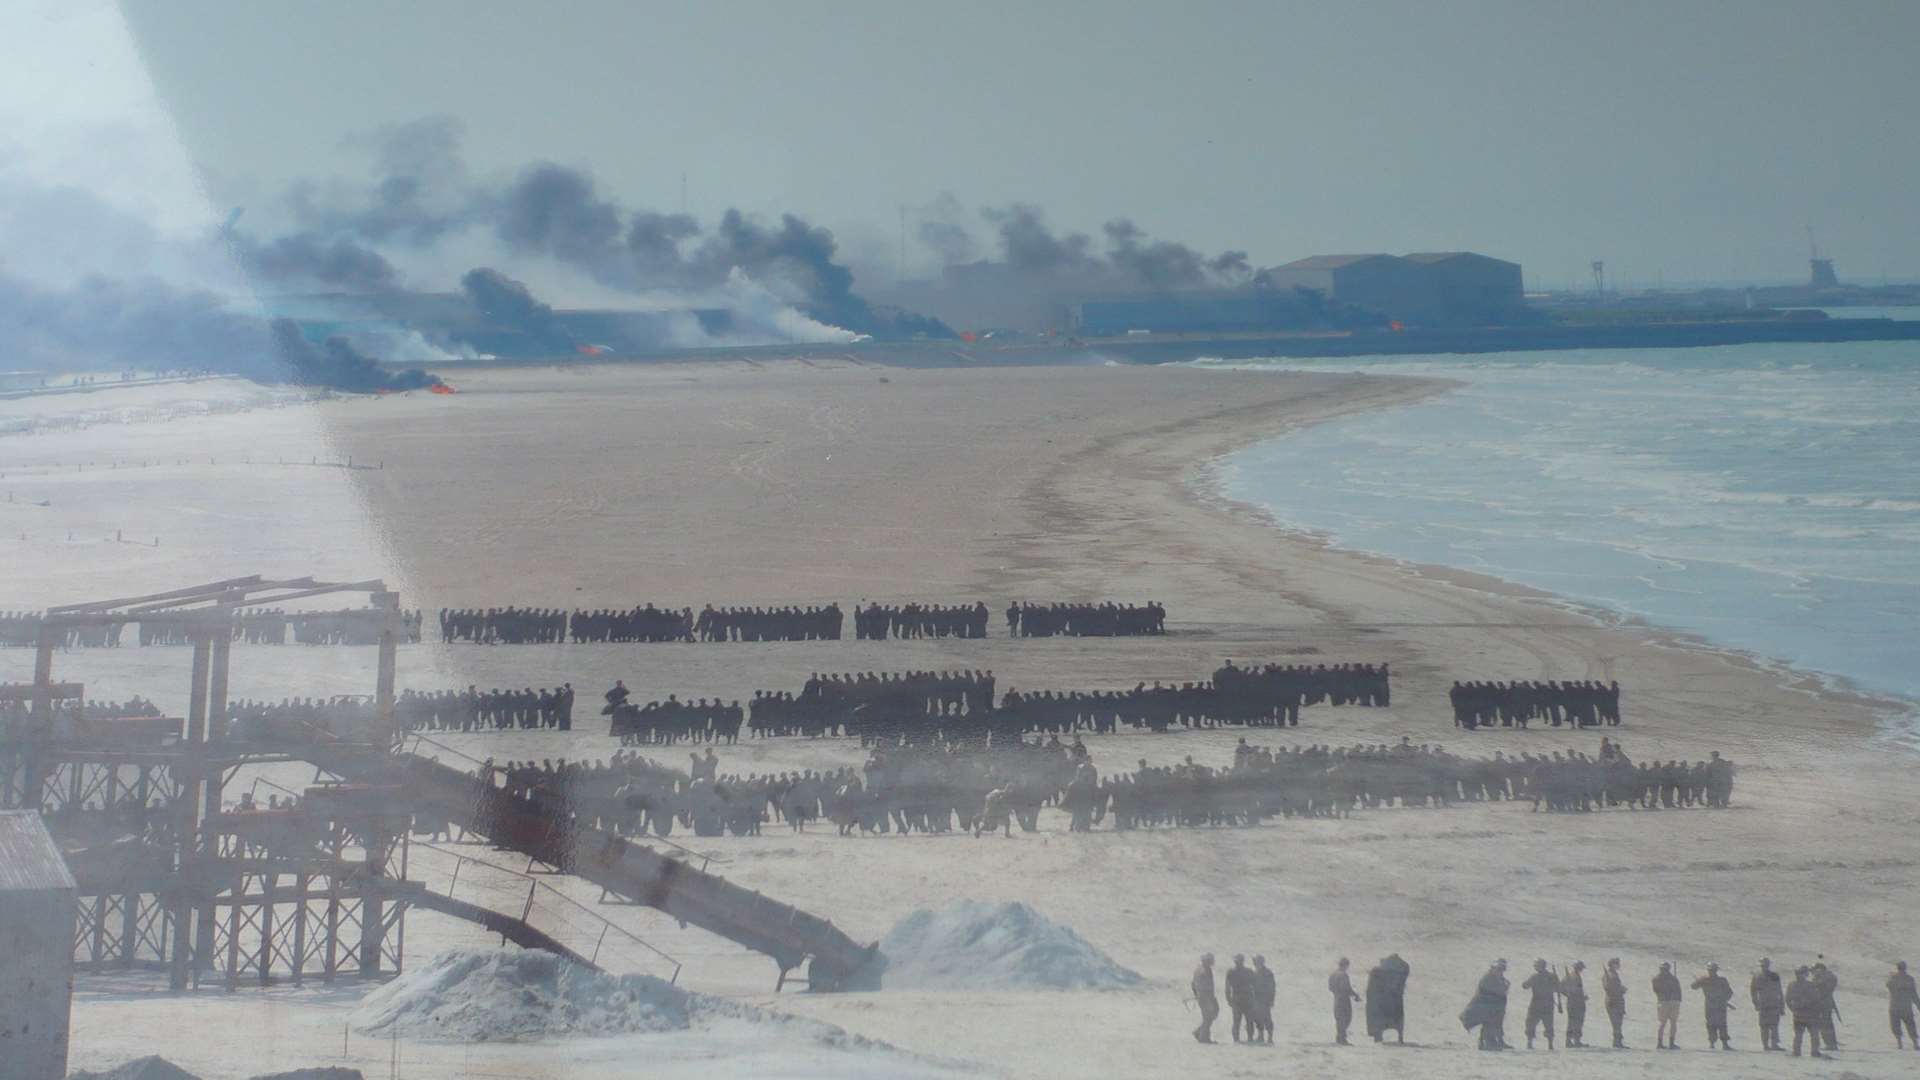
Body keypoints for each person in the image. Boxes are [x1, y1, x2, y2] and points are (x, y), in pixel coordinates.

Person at [1461, 959, 1509, 1051]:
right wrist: (1504, 986)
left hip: (1492, 1008)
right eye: (1498, 969)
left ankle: (1495, 1042)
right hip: (1483, 1007)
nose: (1500, 971)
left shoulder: (1498, 978)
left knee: (1493, 1024)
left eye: (1502, 969)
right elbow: (1496, 992)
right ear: (1492, 969)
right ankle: (1488, 1043)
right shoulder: (1487, 978)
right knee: (1489, 1023)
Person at [1366, 953, 1411, 1045]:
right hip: (1395, 999)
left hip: (1381, 1001)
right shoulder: (1400, 969)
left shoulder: (1376, 972)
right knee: (1398, 1018)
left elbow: (1371, 988)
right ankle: (1400, 1038)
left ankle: (1378, 1037)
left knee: (1379, 1019)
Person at [1692, 962, 1736, 1050]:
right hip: (1713, 1005)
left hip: (1715, 1005)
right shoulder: (1707, 979)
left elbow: (1729, 992)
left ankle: (1721, 1043)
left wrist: (1723, 1000)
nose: (1711, 972)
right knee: (1713, 1024)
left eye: (1712, 970)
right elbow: (1693, 986)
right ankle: (1715, 1043)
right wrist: (1698, 981)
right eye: (1710, 970)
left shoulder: (1720, 980)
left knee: (1719, 1024)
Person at [1786, 966, 1825, 1058]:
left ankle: (1797, 1052)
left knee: (1800, 1035)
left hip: (1799, 1013)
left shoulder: (1792, 985)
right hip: (1809, 1014)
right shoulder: (1810, 985)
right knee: (1813, 1034)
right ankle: (1814, 1052)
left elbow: (1787, 1000)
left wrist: (1793, 1009)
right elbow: (1817, 999)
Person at [1521, 959, 1560, 1050]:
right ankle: (1550, 1044)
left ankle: (1529, 1043)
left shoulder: (1535, 977)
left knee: (1531, 1023)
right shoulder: (1552, 976)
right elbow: (1558, 988)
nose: (1535, 967)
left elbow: (1524, 986)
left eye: (1536, 965)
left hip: (1536, 1003)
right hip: (1548, 1003)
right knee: (1548, 1024)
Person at [1752, 957, 1785, 1051]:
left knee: (1774, 1025)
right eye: (1762, 965)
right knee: (1764, 1026)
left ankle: (1774, 1045)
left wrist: (1782, 1006)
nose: (1764, 967)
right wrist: (1755, 1003)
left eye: (1765, 965)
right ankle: (1765, 1045)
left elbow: (1779, 991)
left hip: (1774, 1004)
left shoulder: (1774, 975)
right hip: (1763, 1004)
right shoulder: (1756, 976)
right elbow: (1753, 991)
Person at [1329, 957, 1361, 1045]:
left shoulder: (1333, 974)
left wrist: (1337, 993)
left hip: (1336, 999)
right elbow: (1346, 988)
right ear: (1346, 965)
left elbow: (1330, 988)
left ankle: (1339, 1038)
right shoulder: (1343, 975)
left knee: (1339, 1019)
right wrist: (1355, 995)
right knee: (1346, 1019)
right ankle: (1342, 1039)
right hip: (1344, 1000)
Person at [1652, 961, 1683, 1050]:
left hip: (1664, 1002)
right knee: (1671, 1023)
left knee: (1664, 1023)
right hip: (1671, 1002)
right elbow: (1678, 990)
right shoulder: (1673, 978)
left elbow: (1656, 990)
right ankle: (1670, 1043)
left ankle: (1661, 1043)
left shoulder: (1656, 979)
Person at [1890, 960, 1919, 1050]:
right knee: (1910, 1025)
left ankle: (1900, 1044)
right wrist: (1918, 1004)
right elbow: (1913, 993)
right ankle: (1915, 1044)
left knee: (1896, 1025)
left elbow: (1888, 986)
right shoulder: (1909, 979)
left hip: (1894, 1007)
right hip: (1906, 1007)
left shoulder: (1893, 978)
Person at [1225, 954, 1254, 1043]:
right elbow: (1255, 985)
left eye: (1238, 961)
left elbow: (1227, 987)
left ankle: (1238, 1040)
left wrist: (1229, 999)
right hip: (1245, 998)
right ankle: (1247, 1039)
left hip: (1239, 998)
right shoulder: (1248, 971)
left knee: (1239, 1021)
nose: (1237, 962)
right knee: (1246, 1021)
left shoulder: (1231, 971)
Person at [1813, 960, 1840, 1050]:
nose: (1813, 972)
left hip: (1823, 1004)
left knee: (1825, 1024)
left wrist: (1818, 980)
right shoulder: (1826, 977)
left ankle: (1830, 1044)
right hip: (1824, 1004)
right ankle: (1831, 1043)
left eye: (1815, 970)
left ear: (1820, 969)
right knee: (1827, 1024)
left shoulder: (1825, 977)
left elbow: (1821, 989)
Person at [1559, 961, 1588, 1048]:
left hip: (1571, 1002)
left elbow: (1560, 987)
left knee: (1571, 1022)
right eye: (1581, 968)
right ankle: (1576, 1041)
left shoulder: (1568, 976)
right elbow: (1577, 991)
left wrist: (1568, 995)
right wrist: (1582, 998)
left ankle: (1569, 1041)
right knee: (1578, 1022)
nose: (1582, 969)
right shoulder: (1576, 977)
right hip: (1577, 1003)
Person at [1192, 953, 1219, 1044]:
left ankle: (1199, 1032)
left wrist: (1196, 995)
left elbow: (1192, 984)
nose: (1212, 962)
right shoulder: (1206, 970)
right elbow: (1209, 987)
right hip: (1207, 997)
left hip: (1201, 996)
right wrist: (1211, 999)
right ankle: (1204, 1038)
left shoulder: (1197, 969)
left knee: (1208, 1017)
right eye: (1210, 960)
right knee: (1208, 1017)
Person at [1603, 957, 1629, 1048]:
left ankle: (1617, 1042)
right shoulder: (1611, 975)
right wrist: (1622, 990)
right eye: (1617, 963)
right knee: (1616, 1023)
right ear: (1613, 964)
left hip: (1614, 1001)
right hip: (1614, 1001)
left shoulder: (1611, 974)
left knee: (1617, 1023)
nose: (1619, 965)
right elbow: (1610, 989)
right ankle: (1617, 1042)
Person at [1250, 955, 1276, 1045]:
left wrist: (1271, 999)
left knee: (1267, 1018)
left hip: (1265, 1000)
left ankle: (1270, 1037)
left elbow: (1272, 987)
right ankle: (1260, 1036)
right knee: (1257, 1018)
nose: (1254, 963)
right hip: (1256, 999)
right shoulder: (1254, 972)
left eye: (1255, 961)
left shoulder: (1267, 973)